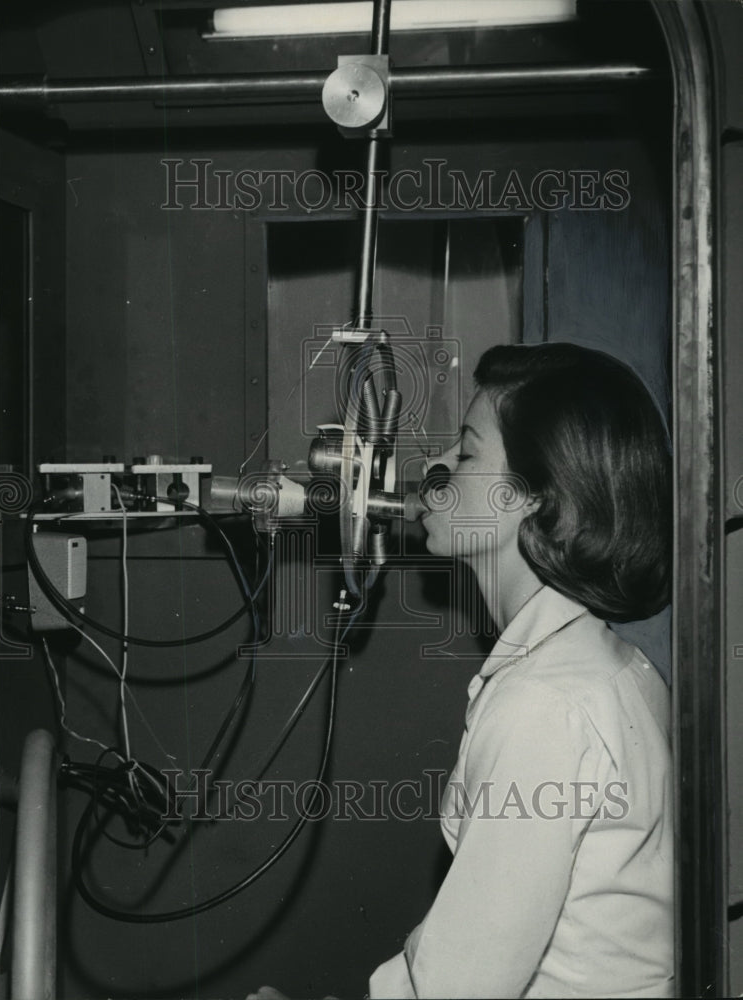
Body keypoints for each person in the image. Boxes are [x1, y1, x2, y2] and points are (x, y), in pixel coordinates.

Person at [251, 341, 674, 999]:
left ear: (534, 499)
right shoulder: (613, 669)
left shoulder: (544, 707)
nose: (440, 468)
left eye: (469, 452)